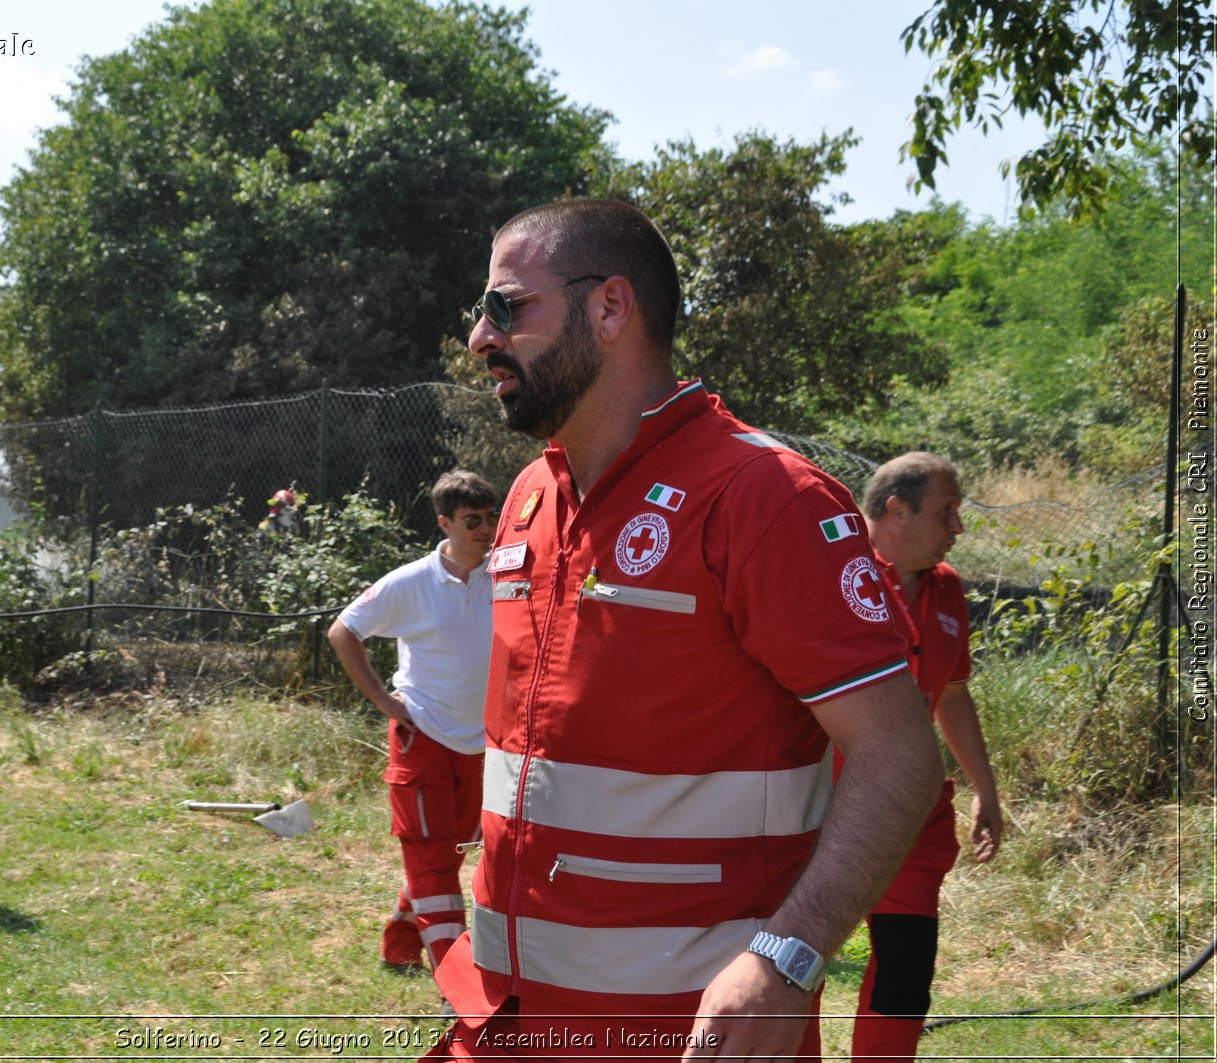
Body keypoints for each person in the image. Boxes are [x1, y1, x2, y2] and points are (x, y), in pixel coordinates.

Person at [430, 198, 944, 1060]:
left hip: (691, 1036)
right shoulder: (528, 495)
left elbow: (900, 755)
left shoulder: (763, 496)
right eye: (480, 312)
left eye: (507, 307)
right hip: (508, 1019)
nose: (482, 336)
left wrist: (789, 956)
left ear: (610, 309)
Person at [850, 452, 1003, 1061]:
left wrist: (986, 791)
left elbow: (954, 695)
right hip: (818, 812)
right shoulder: (834, 572)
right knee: (790, 964)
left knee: (905, 969)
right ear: (894, 509)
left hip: (912, 816)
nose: (957, 528)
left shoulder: (947, 590)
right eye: (946, 512)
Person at [327, 470, 499, 986]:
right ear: (445, 522)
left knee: (448, 853)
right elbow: (343, 631)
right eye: (473, 520)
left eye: (490, 518)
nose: (485, 529)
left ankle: (401, 946)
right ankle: (455, 984)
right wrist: (382, 699)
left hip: (481, 744)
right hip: (421, 737)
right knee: (434, 865)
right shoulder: (411, 582)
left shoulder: (509, 576)